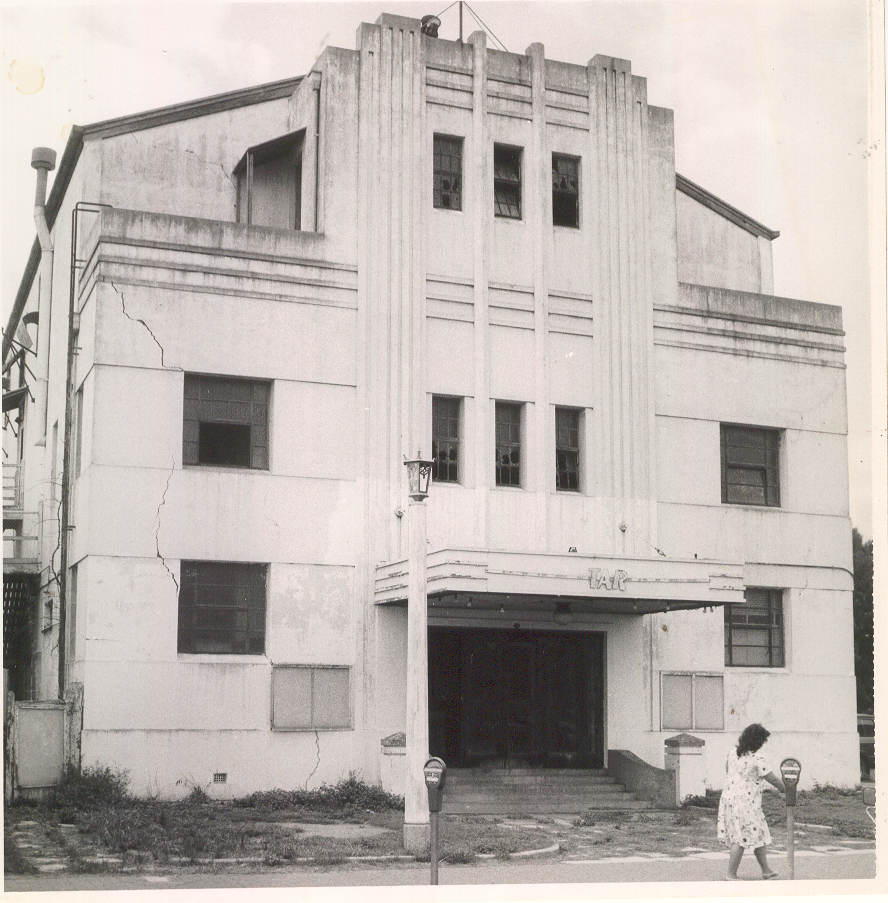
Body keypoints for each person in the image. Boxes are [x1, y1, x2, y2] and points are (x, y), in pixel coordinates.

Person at [717, 723, 786, 880]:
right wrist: (786, 789)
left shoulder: (732, 753)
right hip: (747, 803)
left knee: (759, 833)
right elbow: (772, 779)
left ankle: (766, 870)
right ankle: (731, 874)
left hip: (730, 800)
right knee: (740, 837)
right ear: (757, 741)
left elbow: (729, 772)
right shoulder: (757, 758)